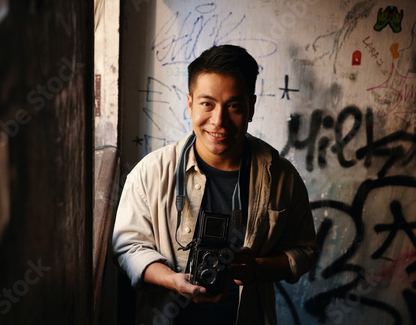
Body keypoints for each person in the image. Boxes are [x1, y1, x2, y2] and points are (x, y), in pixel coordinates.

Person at [112, 44, 318, 325]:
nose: (219, 121)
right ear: (190, 103)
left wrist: (256, 269)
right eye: (207, 104)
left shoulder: (280, 175)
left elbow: (304, 250)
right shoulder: (150, 172)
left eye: (233, 106)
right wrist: (173, 281)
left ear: (251, 107)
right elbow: (128, 247)